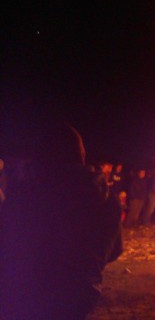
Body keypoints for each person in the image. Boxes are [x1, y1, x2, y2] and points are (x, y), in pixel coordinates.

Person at [0, 123, 122, 319]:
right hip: (80, 294)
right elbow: (114, 250)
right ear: (81, 156)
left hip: (26, 293)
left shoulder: (25, 195)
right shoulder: (106, 200)